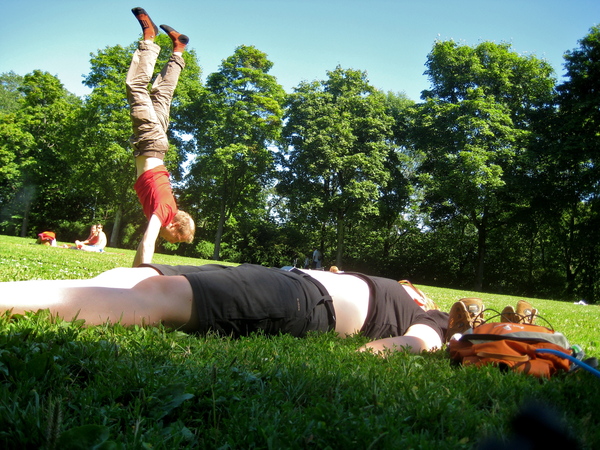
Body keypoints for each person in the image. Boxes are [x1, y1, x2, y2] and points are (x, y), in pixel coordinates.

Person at [0, 263, 450, 354]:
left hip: (307, 301)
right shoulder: (394, 286)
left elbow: (414, 343)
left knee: (157, 299)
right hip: (283, 275)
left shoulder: (433, 315)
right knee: (132, 273)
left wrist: (383, 351)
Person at [128, 8, 195, 267]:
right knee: (136, 87)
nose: (170, 242)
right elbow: (148, 241)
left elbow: (140, 244)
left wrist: (133, 271)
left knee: (160, 95)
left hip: (157, 144)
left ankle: (179, 49)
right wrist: (142, 278)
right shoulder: (166, 211)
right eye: (175, 239)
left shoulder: (167, 206)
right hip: (150, 142)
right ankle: (149, 40)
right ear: (175, 225)